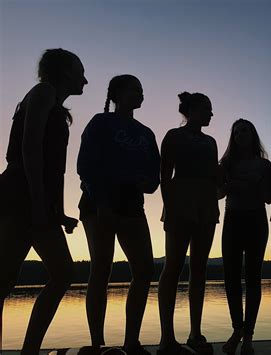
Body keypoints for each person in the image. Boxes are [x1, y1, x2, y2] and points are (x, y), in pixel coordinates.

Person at [0, 48, 87, 354]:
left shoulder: (56, 108)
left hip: (37, 197)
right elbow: (29, 149)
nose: (85, 80)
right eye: (80, 71)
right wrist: (38, 202)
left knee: (61, 273)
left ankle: (30, 351)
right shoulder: (43, 92)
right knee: (9, 278)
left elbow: (57, 169)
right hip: (18, 194)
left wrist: (58, 211)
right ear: (64, 71)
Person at [77, 74, 160, 354]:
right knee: (101, 267)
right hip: (98, 205)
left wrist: (148, 183)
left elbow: (154, 176)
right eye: (136, 89)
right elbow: (85, 165)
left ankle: (131, 342)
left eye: (142, 90)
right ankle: (96, 344)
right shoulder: (100, 123)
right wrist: (102, 204)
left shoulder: (147, 133)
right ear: (117, 94)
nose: (141, 95)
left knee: (145, 269)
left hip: (132, 207)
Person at [157, 92, 219, 355]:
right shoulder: (173, 136)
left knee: (200, 269)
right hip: (180, 202)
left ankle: (195, 333)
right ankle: (166, 338)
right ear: (191, 110)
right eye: (207, 108)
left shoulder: (211, 141)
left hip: (206, 204)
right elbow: (164, 175)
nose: (211, 114)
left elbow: (215, 176)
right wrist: (170, 206)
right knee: (172, 266)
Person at [219, 119, 271, 354]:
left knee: (253, 277)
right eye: (237, 131)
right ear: (233, 136)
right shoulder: (226, 163)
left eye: (245, 129)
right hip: (233, 220)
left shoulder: (264, 164)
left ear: (253, 134)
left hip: (256, 220)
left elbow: (269, 196)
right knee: (230, 277)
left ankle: (248, 335)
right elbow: (218, 192)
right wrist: (233, 185)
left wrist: (242, 185)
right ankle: (237, 329)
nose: (241, 133)